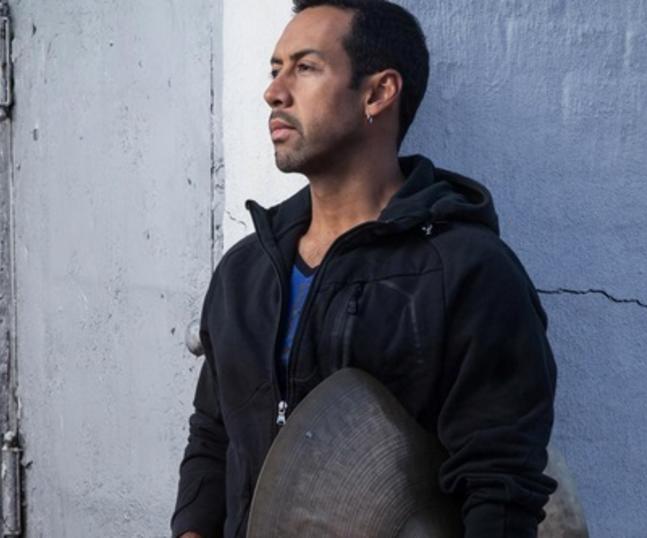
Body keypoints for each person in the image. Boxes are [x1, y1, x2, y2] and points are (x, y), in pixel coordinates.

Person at [171, 1, 557, 537]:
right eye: (274, 69)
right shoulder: (245, 270)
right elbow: (214, 432)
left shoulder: (468, 271)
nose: (274, 92)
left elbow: (501, 484)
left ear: (378, 93)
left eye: (305, 68)